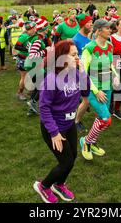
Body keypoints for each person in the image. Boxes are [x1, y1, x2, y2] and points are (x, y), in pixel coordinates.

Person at [34, 40, 90, 203]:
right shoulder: (51, 79)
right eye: (73, 55)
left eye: (77, 54)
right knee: (65, 162)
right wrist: (54, 133)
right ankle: (43, 186)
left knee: (72, 156)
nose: (77, 57)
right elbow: (44, 108)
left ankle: (59, 184)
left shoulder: (76, 73)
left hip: (69, 124)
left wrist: (82, 72)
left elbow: (86, 90)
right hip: (53, 127)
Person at [79, 19, 119, 161]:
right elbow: (83, 73)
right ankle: (86, 142)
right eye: (107, 28)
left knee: (101, 118)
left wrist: (115, 75)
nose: (110, 30)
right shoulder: (89, 48)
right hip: (94, 89)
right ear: (98, 31)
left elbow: (109, 64)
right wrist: (96, 91)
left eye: (110, 28)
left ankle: (93, 142)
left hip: (107, 87)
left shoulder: (109, 45)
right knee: (106, 119)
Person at [14, 21, 37, 101]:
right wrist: (28, 49)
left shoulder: (33, 36)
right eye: (34, 28)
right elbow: (16, 46)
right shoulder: (24, 36)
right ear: (29, 29)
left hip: (30, 59)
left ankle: (30, 90)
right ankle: (20, 93)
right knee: (24, 77)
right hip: (22, 59)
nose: (35, 29)